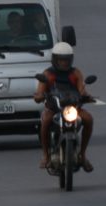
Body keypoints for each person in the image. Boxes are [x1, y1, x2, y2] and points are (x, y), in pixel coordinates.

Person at [34, 42, 93, 172]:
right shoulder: (48, 74)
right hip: (54, 109)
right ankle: (46, 155)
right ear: (55, 59)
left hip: (73, 108)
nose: (64, 63)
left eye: (66, 60)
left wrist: (86, 96)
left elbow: (82, 90)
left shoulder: (75, 73)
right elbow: (40, 91)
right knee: (45, 122)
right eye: (61, 60)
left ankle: (82, 155)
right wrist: (39, 96)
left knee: (89, 119)